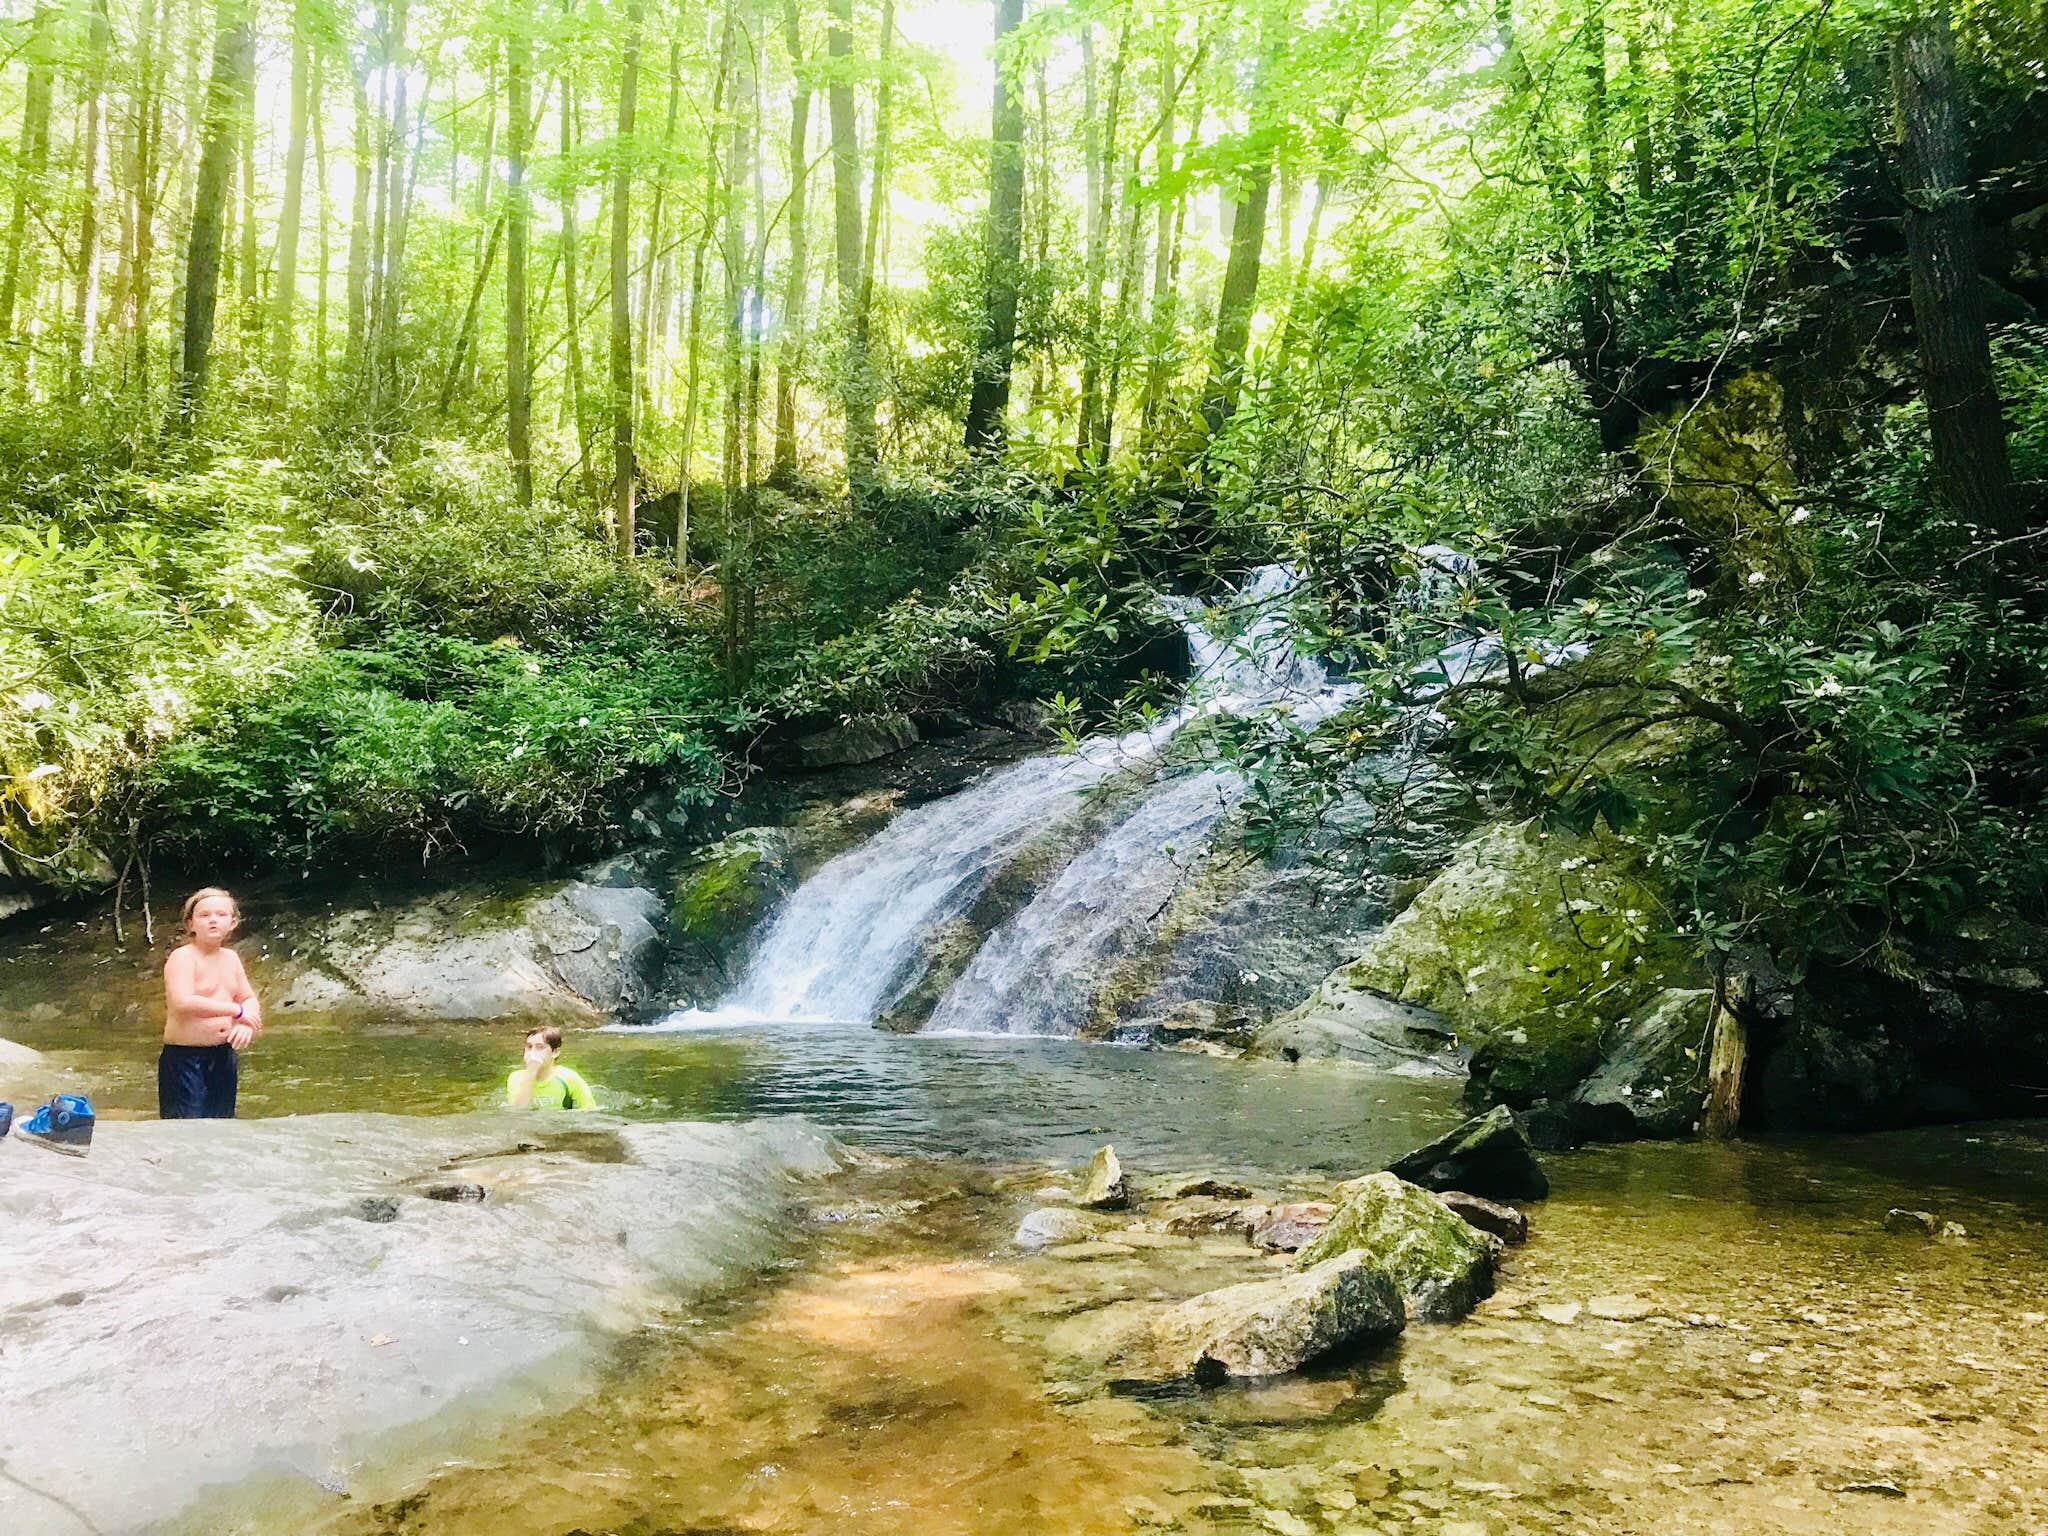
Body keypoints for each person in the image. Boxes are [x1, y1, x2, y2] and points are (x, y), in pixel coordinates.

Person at [160, 887, 262, 1119]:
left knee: (222, 1123)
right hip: (185, 1057)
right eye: (204, 916)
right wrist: (236, 1011)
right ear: (190, 924)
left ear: (233, 922)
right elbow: (182, 1002)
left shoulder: (231, 959)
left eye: (221, 915)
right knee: (187, 1126)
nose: (213, 921)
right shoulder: (183, 957)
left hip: (223, 1054)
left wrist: (246, 1023)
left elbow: (249, 999)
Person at [505, 1026, 597, 1110]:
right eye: (529, 1047)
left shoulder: (569, 1078)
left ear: (555, 1052)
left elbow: (590, 1110)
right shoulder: (516, 1078)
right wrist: (531, 1072)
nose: (532, 1053)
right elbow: (516, 1113)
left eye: (540, 1047)